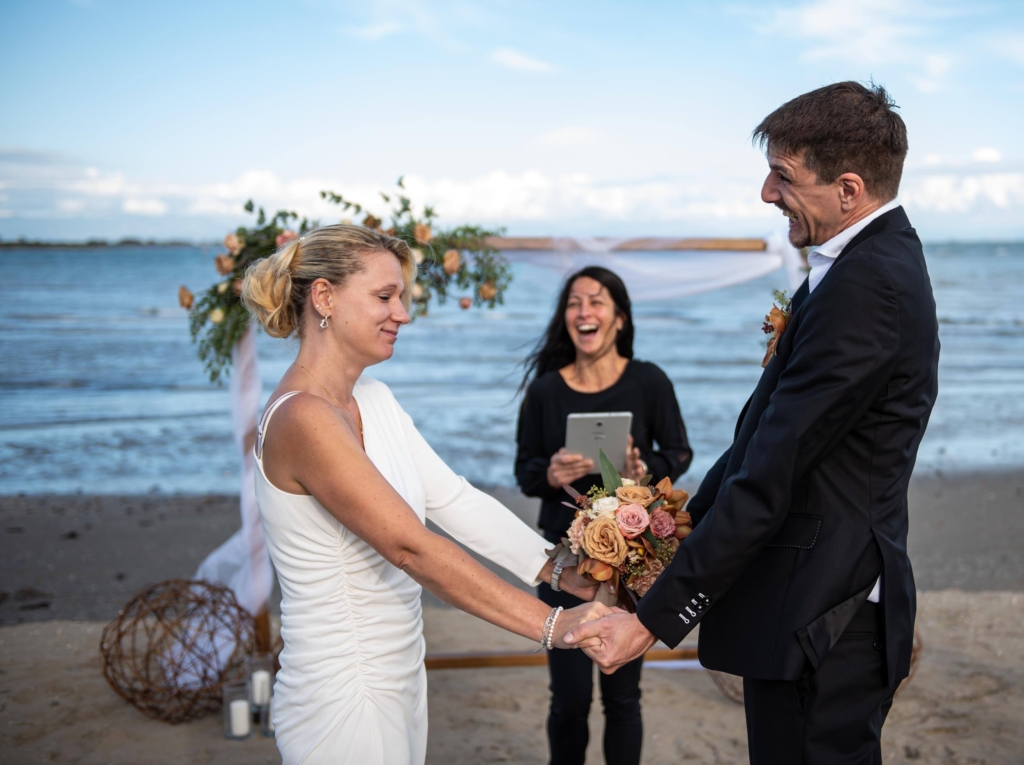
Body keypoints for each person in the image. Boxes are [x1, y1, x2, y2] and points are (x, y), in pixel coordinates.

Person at [566, 82, 940, 764]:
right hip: (814, 605)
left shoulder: (868, 286)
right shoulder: (855, 267)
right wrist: (673, 534)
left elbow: (775, 469)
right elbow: (756, 444)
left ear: (849, 190)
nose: (766, 192)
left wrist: (652, 621)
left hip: (824, 615)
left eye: (783, 175)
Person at [240, 225, 610, 765]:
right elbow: (410, 547)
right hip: (343, 689)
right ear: (324, 297)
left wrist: (559, 570)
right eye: (385, 296)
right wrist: (552, 625)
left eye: (402, 298)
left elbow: (455, 501)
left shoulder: (375, 398)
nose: (403, 314)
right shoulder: (302, 418)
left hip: (403, 671)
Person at [515, 265, 692, 765]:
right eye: (574, 302)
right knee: (568, 699)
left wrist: (643, 466)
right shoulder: (546, 390)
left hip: (632, 560)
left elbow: (678, 453)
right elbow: (524, 473)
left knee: (621, 696)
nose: (583, 312)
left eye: (596, 301)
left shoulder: (649, 380)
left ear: (619, 317)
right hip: (563, 561)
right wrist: (550, 474)